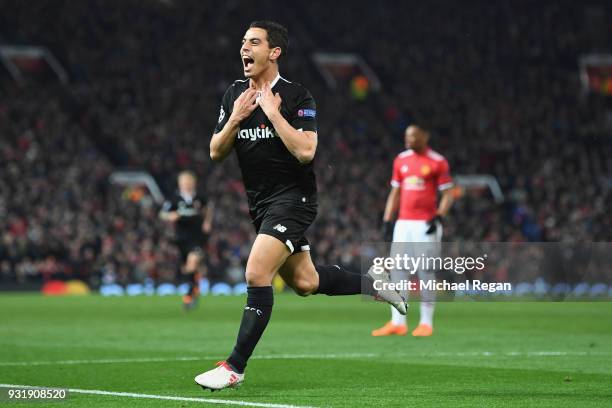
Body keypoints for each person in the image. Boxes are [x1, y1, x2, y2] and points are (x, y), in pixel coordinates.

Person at [194, 20, 405, 391]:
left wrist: (273, 114)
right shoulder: (233, 95)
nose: (245, 48)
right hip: (260, 204)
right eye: (243, 41)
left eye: (254, 42)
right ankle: (375, 286)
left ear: (274, 52)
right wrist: (237, 118)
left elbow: (306, 151)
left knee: (257, 274)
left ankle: (234, 367)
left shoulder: (296, 97)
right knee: (306, 283)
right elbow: (215, 151)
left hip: (294, 200)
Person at [372, 125, 455, 337]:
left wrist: (439, 217)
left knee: (425, 272)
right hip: (403, 224)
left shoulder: (437, 161)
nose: (408, 139)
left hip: (425, 225)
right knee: (398, 272)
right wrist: (387, 220)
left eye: (413, 136)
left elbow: (448, 193)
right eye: (406, 136)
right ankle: (397, 322)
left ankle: (426, 323)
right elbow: (395, 192)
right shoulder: (401, 160)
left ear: (424, 136)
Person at [160, 171, 214, 309]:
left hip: (197, 237)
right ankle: (194, 288)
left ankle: (189, 295)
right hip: (181, 238)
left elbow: (209, 207)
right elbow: (162, 213)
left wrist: (207, 222)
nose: (186, 184)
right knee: (187, 268)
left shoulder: (199, 197)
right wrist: (170, 216)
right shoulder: (174, 199)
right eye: (183, 182)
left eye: (188, 182)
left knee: (193, 261)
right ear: (179, 184)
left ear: (193, 183)